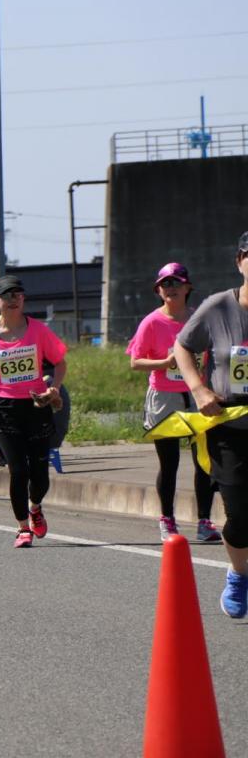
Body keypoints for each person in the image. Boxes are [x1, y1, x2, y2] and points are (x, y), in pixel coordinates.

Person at [174, 232, 248, 618]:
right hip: (228, 424)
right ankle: (239, 574)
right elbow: (182, 347)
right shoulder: (219, 307)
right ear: (240, 261)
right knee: (240, 516)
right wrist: (199, 389)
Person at [0, 275, 67, 548]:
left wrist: (55, 388)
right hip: (4, 407)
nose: (12, 300)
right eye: (6, 295)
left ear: (23, 299)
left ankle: (35, 506)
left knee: (40, 474)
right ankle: (23, 527)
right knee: (18, 470)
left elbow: (59, 363)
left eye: (17, 295)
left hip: (37, 405)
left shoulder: (37, 330)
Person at [128, 262, 221, 543]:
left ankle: (204, 521)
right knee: (168, 463)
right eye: (165, 284)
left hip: (197, 395)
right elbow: (135, 362)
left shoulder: (200, 318)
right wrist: (166, 362)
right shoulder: (152, 322)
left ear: (187, 287)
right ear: (158, 291)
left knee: (204, 461)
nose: (171, 288)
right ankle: (167, 519)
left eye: (176, 283)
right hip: (165, 396)